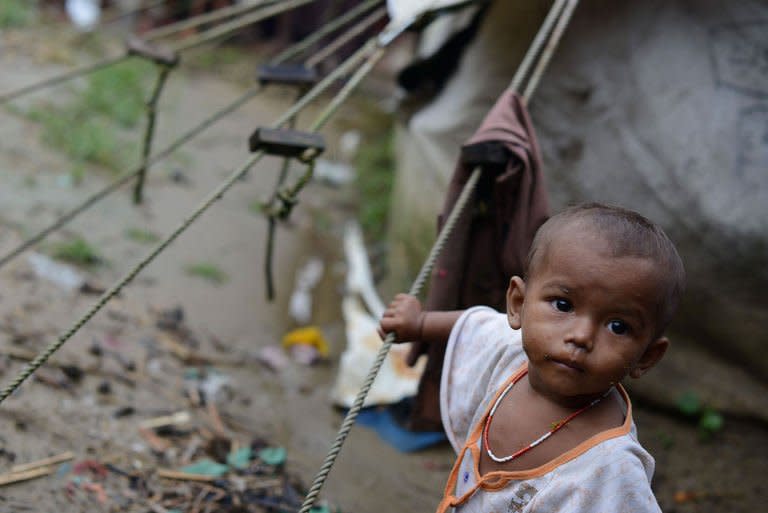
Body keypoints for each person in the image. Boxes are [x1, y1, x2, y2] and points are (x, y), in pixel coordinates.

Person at [379, 202, 685, 512]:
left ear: (647, 356)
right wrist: (419, 324)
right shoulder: (512, 355)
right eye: (563, 305)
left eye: (618, 326)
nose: (581, 336)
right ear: (518, 303)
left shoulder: (610, 469)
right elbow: (477, 325)